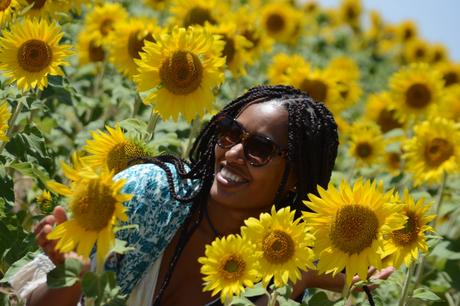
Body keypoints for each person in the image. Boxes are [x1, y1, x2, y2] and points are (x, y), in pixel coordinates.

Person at [26, 85, 393, 306]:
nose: (232, 153)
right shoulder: (147, 195)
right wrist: (72, 273)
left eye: (260, 149)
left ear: (296, 177)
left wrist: (300, 279)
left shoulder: (279, 259)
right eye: (231, 132)